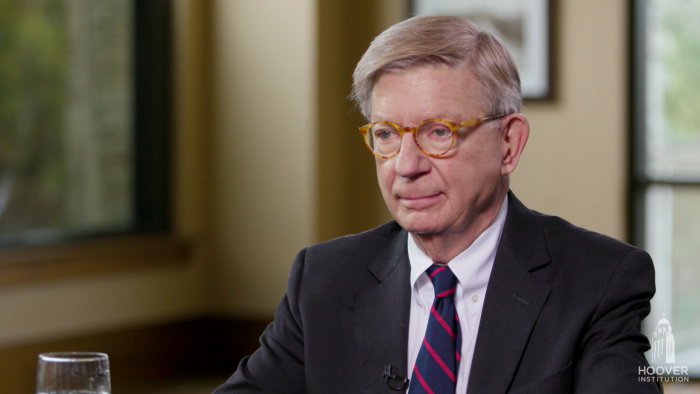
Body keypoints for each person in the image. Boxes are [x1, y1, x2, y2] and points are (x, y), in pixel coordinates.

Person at [213, 16, 659, 394]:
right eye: (386, 134)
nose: (405, 166)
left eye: (438, 131)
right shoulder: (324, 279)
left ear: (509, 143)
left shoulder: (601, 281)